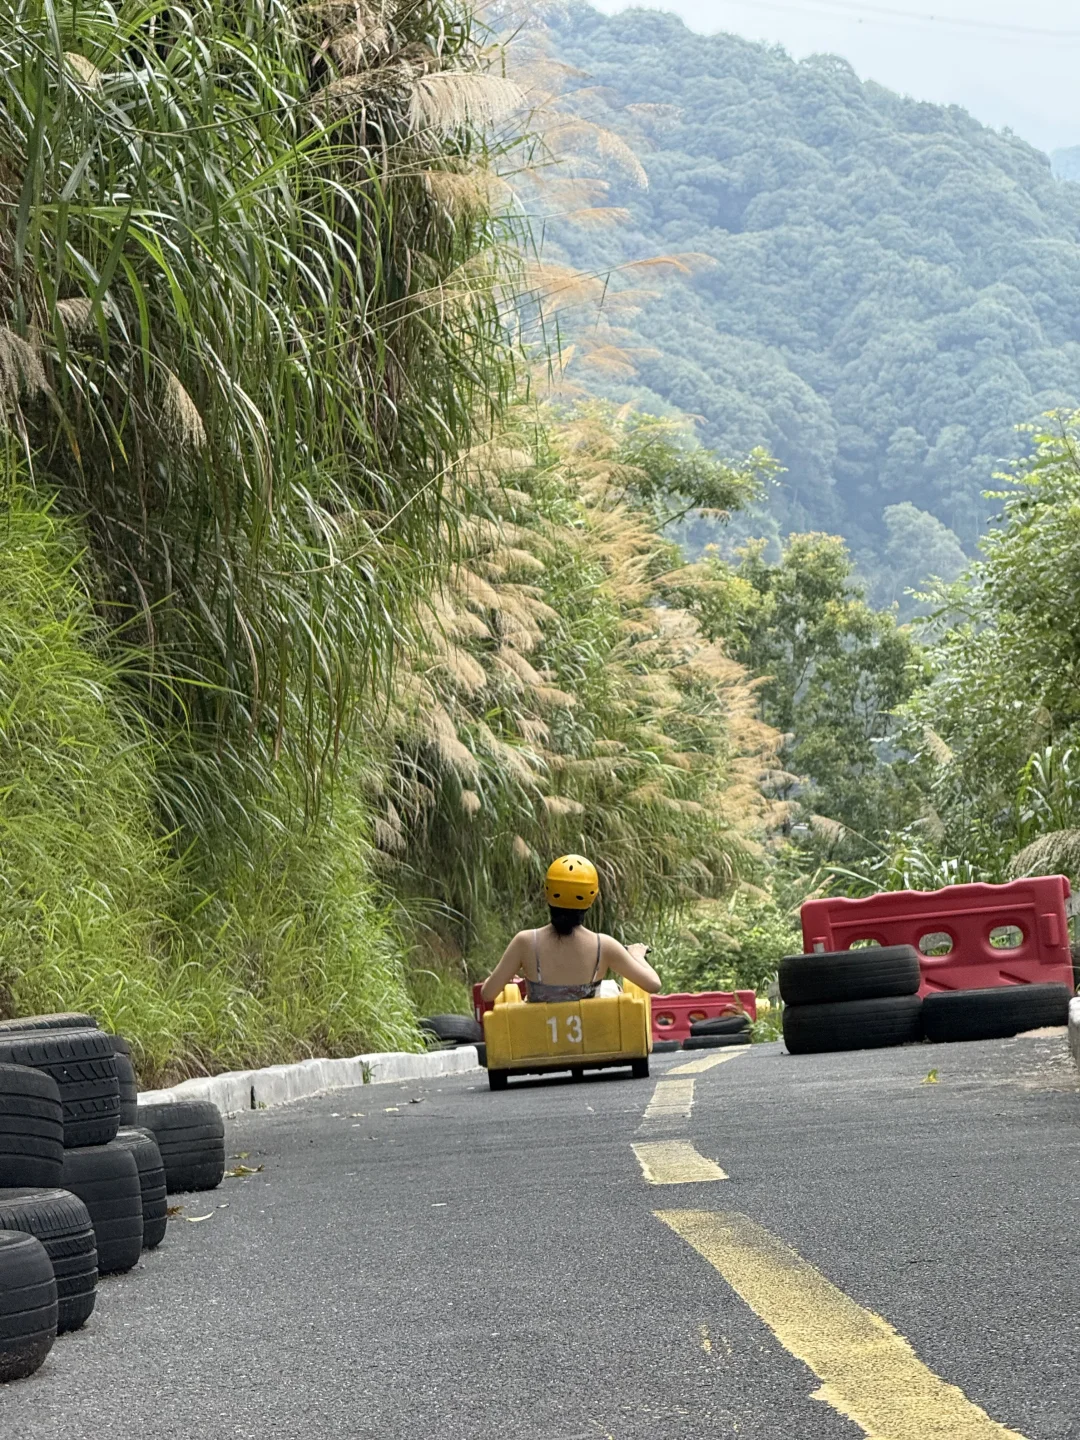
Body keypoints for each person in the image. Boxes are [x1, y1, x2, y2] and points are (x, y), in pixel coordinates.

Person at [480, 854, 662, 1004]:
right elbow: (653, 985)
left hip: (539, 1031)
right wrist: (636, 955)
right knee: (612, 988)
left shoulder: (525, 942)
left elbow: (487, 994)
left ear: (548, 891)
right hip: (591, 1032)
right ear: (591, 897)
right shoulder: (604, 945)